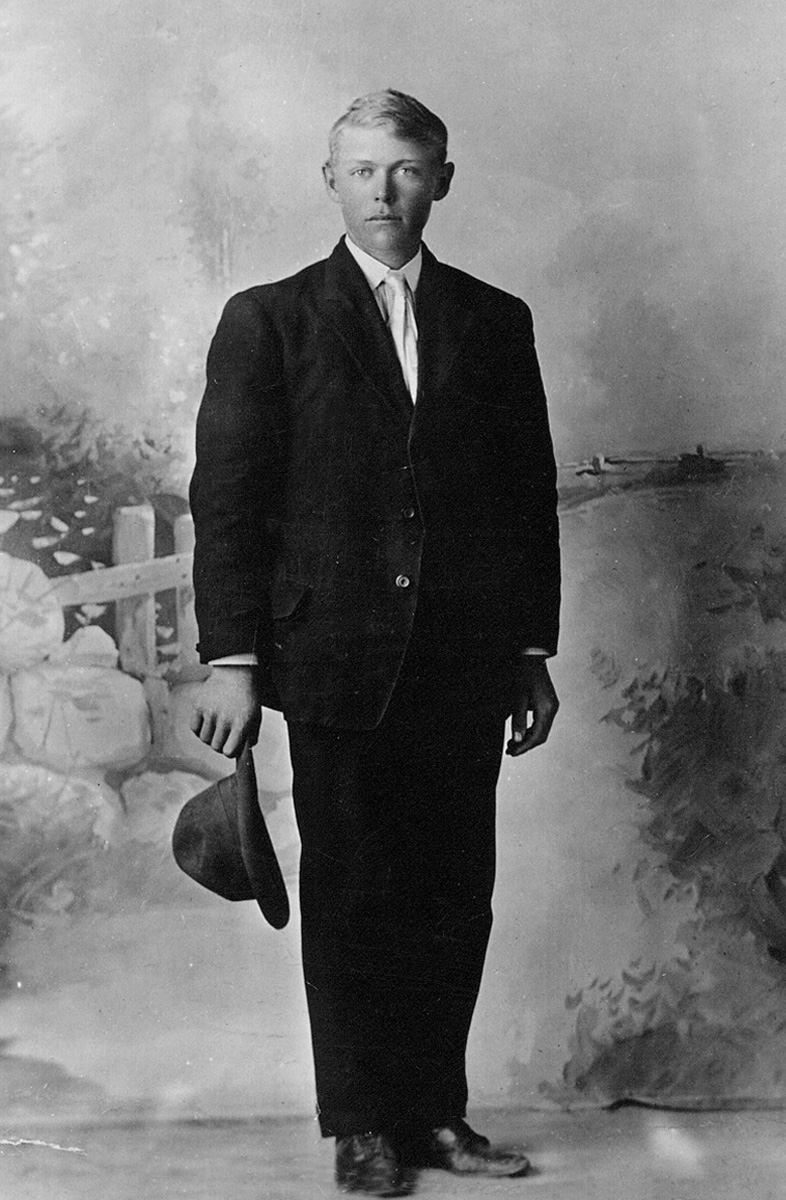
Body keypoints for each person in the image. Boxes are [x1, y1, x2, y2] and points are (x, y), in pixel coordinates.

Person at [188, 89, 561, 1197]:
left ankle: (434, 1115)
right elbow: (229, 502)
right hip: (332, 658)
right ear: (331, 182)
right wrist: (233, 659)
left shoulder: (494, 320)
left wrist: (529, 654)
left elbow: (523, 498)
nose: (384, 191)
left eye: (404, 169)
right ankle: (361, 1126)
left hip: (463, 657)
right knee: (354, 891)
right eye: (362, 170)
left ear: (440, 179)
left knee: (453, 891)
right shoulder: (270, 320)